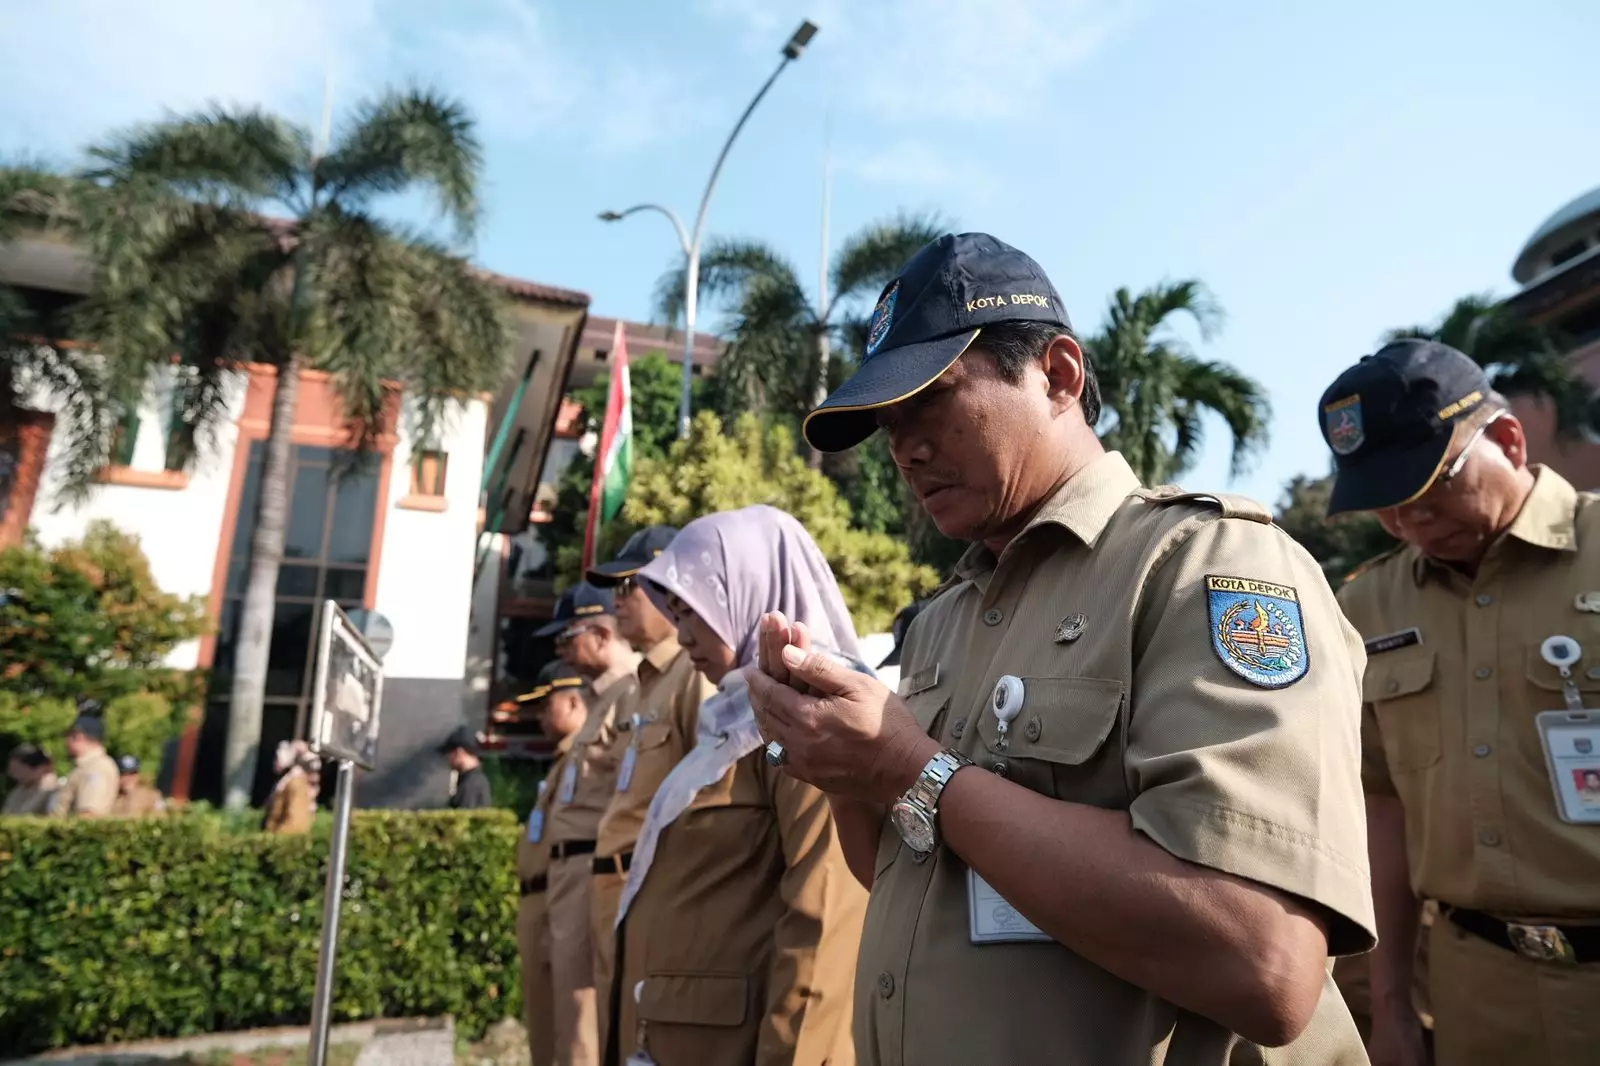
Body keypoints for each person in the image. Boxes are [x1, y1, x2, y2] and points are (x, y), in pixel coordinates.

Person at [745, 232, 1376, 1065]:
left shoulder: (1206, 568)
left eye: (933, 399)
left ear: (1059, 375)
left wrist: (912, 767)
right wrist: (847, 770)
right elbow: (912, 881)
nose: (904, 447)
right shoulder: (942, 619)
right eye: (889, 424)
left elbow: (1263, 960)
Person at [1319, 339, 1600, 1066]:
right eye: (1385, 506)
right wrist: (1391, 1008)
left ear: (1507, 440)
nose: (1410, 523)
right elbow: (1382, 809)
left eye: (1428, 487)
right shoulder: (1369, 605)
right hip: (1478, 991)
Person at [611, 505, 868, 1066]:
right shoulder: (733, 721)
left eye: (694, 611)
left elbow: (821, 923)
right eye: (674, 614)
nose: (681, 636)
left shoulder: (812, 722)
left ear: (753, 592)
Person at [583, 525, 715, 1055]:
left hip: (653, 893)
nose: (615, 603)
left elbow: (708, 803)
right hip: (617, 892)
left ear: (672, 588)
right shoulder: (646, 681)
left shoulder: (694, 673)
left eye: (629, 587)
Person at [537, 582, 641, 1066]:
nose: (561, 649)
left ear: (601, 635)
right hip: (572, 871)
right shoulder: (604, 697)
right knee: (568, 1010)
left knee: (584, 1012)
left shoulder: (632, 694)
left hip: (593, 866)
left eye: (567, 637)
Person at [516, 663, 593, 1066]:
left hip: (557, 899)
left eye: (547, 706)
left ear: (575, 701)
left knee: (571, 1030)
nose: (540, 717)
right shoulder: (562, 760)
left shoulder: (585, 755)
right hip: (541, 900)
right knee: (546, 1026)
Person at [49, 715, 119, 818]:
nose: (66, 741)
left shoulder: (96, 767)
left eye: (69, 736)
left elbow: (89, 813)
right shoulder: (85, 766)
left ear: (78, 736)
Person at [263, 740, 319, 835]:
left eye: (278, 757)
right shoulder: (287, 781)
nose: (275, 761)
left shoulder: (296, 783)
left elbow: (295, 818)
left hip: (285, 836)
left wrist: (279, 836)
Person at [441, 725, 492, 809]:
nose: (448, 760)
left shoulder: (469, 784)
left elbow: (462, 819)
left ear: (459, 752)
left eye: (449, 754)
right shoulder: (477, 780)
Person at [3, 743, 59, 815]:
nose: (13, 775)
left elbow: (26, 812)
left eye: (17, 770)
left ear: (39, 768)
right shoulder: (18, 791)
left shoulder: (52, 790)